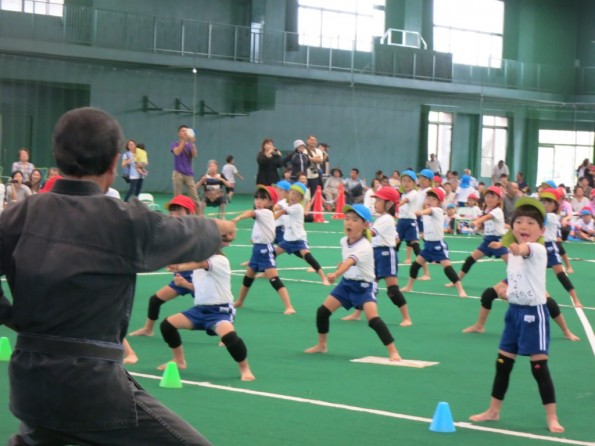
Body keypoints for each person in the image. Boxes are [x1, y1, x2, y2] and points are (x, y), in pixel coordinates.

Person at [0, 107, 237, 445]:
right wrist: (219, 228)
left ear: (56, 156)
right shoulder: (124, 220)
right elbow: (179, 232)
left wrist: (13, 317)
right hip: (93, 388)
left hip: (30, 385)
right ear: (114, 164)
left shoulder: (19, 215)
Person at [469, 197, 564, 433]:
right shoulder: (511, 257)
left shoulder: (538, 249)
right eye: (519, 221)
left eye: (531, 223)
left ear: (542, 230)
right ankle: (493, 410)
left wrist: (512, 246)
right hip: (514, 313)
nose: (524, 226)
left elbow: (524, 249)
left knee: (539, 368)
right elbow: (517, 281)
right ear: (512, 226)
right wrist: (506, 293)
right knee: (503, 364)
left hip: (535, 315)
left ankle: (552, 417)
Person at [304, 204, 402, 361]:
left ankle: (393, 351)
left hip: (364, 287)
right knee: (322, 312)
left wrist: (336, 273)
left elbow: (350, 261)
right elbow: (347, 261)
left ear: (365, 226)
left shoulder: (365, 246)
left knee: (373, 320)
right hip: (346, 285)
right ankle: (322, 345)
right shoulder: (344, 241)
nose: (349, 222)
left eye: (355, 220)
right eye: (347, 219)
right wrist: (340, 267)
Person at [157, 252, 256, 381]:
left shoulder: (219, 260)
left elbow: (200, 264)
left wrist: (178, 267)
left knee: (230, 338)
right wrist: (184, 284)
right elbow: (201, 288)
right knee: (167, 325)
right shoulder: (198, 266)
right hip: (200, 310)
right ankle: (179, 360)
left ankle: (245, 369)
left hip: (220, 311)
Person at [342, 187, 412, 326]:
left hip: (386, 255)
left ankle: (406, 317)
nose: (376, 202)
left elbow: (371, 233)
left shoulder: (386, 218)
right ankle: (357, 313)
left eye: (379, 200)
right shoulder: (381, 219)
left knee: (392, 290)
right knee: (368, 284)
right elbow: (396, 238)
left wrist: (356, 233)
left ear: (390, 204)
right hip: (376, 253)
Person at [129, 195, 198, 337]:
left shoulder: (195, 234)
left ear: (190, 214)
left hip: (197, 279)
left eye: (179, 213)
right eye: (172, 213)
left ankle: (227, 336)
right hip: (180, 279)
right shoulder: (172, 232)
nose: (174, 216)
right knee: (155, 300)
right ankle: (148, 329)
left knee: (213, 306)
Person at [232, 185, 295, 314]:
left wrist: (238, 218)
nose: (258, 201)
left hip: (265, 251)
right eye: (257, 198)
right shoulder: (265, 214)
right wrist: (255, 238)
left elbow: (251, 213)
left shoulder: (264, 212)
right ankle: (240, 301)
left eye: (263, 198)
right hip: (257, 249)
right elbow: (266, 225)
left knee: (274, 279)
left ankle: (289, 306)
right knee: (248, 278)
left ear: (271, 202)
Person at [401, 187, 467, 297]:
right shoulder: (426, 214)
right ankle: (409, 286)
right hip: (428, 246)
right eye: (428, 198)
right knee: (415, 266)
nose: (429, 201)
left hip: (438, 246)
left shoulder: (437, 210)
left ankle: (460, 289)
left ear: (439, 203)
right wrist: (424, 235)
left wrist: (420, 212)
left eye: (433, 199)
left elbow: (429, 211)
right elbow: (429, 224)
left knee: (447, 268)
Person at [448, 186, 508, 285]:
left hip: (499, 242)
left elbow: (487, 217)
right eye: (487, 196)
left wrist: (477, 221)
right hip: (487, 241)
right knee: (469, 260)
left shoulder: (497, 211)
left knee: (512, 266)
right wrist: (476, 225)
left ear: (498, 200)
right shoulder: (487, 209)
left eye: (493, 197)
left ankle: (516, 284)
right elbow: (484, 220)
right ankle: (456, 281)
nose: (489, 199)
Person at [275, 182, 329, 285]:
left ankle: (323, 277)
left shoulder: (297, 207)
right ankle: (264, 271)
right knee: (271, 254)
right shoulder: (286, 204)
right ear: (289, 193)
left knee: (307, 256)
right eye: (292, 193)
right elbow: (283, 217)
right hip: (287, 240)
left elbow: (281, 212)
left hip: (298, 239)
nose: (294, 196)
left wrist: (270, 218)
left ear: (301, 198)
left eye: (297, 195)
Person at [539, 188, 582, 307]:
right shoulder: (543, 215)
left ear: (555, 205)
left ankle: (575, 299)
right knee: (534, 272)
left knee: (560, 275)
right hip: (540, 247)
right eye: (543, 202)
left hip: (550, 248)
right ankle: (541, 296)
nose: (545, 205)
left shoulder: (551, 216)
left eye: (549, 203)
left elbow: (540, 219)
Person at [171, 124, 200, 206]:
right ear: (178, 133)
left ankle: (198, 217)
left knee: (195, 198)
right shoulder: (174, 144)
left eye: (186, 131)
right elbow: (177, 152)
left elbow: (195, 155)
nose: (184, 132)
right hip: (178, 173)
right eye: (182, 131)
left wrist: (192, 143)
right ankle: (178, 217)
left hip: (188, 173)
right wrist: (184, 140)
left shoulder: (190, 145)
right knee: (177, 198)